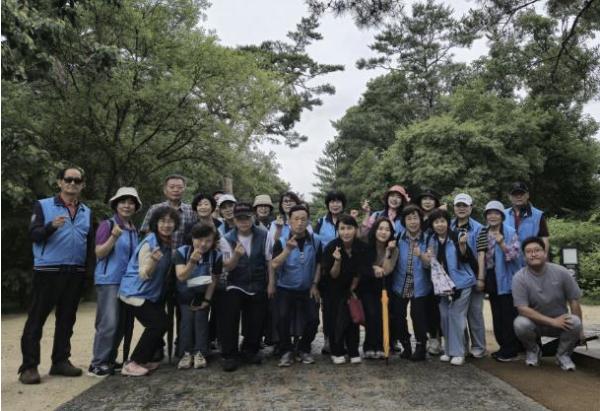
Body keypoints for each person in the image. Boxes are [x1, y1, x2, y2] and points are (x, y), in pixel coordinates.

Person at [19, 166, 94, 385]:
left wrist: (88, 273)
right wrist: (51, 226)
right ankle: (29, 366)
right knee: (37, 319)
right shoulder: (43, 205)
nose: (72, 183)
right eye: (68, 179)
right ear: (59, 182)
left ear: (82, 185)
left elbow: (89, 244)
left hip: (75, 272)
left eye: (77, 180)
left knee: (67, 319)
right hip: (47, 272)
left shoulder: (86, 212)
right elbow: (33, 235)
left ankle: (60, 361)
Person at [118, 206, 178, 376]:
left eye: (170, 222)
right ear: (155, 224)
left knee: (162, 322)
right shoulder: (150, 242)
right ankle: (133, 363)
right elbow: (144, 274)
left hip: (148, 294)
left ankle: (143, 360)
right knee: (159, 323)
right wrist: (153, 260)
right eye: (162, 221)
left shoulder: (166, 243)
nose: (166, 225)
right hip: (134, 293)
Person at [89, 187, 141, 377]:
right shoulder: (108, 224)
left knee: (120, 324)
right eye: (123, 202)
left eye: (131, 203)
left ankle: (109, 359)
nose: (127, 206)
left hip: (127, 283)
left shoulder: (133, 228)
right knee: (108, 322)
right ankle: (98, 363)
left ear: (136, 207)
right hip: (109, 280)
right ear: (116, 205)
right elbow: (99, 253)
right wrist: (113, 236)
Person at [512, 237, 584, 371]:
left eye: (537, 250)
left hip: (561, 322)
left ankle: (563, 355)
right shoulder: (519, 278)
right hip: (535, 324)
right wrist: (552, 322)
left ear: (545, 253)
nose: (533, 254)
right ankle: (533, 351)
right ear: (524, 257)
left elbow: (574, 300)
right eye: (529, 252)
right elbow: (522, 309)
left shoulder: (562, 272)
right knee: (520, 323)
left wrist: (581, 331)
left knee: (575, 322)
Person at [218, 203, 271, 372]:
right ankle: (229, 354)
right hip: (235, 283)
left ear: (252, 218)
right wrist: (236, 255)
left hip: (257, 282)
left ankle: (250, 350)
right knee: (229, 316)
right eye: (239, 218)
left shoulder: (264, 235)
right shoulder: (226, 238)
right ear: (234, 220)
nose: (243, 222)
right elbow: (227, 267)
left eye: (247, 218)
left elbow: (269, 261)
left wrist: (271, 283)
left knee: (256, 318)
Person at [270, 205, 321, 367]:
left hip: (307, 288)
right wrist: (287, 250)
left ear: (308, 221)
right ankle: (286, 350)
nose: (299, 223)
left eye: (303, 219)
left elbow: (319, 264)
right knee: (282, 318)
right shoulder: (281, 241)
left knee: (314, 319)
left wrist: (315, 284)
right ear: (289, 221)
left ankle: (304, 348)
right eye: (296, 219)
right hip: (285, 288)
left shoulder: (315, 240)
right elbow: (274, 264)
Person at [425, 209, 476, 366]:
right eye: (436, 222)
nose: (440, 225)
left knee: (455, 316)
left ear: (448, 223)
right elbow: (430, 263)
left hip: (461, 282)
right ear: (432, 225)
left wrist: (462, 246)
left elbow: (467, 258)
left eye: (443, 221)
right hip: (441, 284)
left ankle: (459, 352)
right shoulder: (432, 240)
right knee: (445, 316)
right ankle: (448, 350)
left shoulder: (456, 236)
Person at [477, 201, 522, 362]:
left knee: (508, 313)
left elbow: (515, 256)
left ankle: (511, 349)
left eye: (496, 213)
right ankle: (503, 346)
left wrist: (502, 243)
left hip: (507, 277)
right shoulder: (483, 232)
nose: (492, 216)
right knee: (496, 313)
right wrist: (481, 277)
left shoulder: (510, 232)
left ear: (502, 216)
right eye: (489, 213)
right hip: (491, 276)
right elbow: (480, 254)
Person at [174, 224, 222, 370]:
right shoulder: (182, 252)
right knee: (186, 322)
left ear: (213, 241)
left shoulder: (216, 255)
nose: (203, 244)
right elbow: (181, 276)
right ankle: (186, 353)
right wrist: (192, 261)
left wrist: (207, 300)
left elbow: (213, 280)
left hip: (202, 294)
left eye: (208, 240)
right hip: (185, 295)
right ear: (192, 239)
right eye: (199, 239)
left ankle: (200, 352)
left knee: (201, 321)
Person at [322, 215, 368, 365]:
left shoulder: (361, 247)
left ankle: (353, 350)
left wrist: (354, 285)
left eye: (349, 228)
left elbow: (362, 269)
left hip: (353, 289)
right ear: (338, 230)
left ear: (355, 229)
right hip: (333, 289)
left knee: (353, 319)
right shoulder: (332, 247)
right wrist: (338, 260)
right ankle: (337, 351)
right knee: (336, 320)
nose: (346, 232)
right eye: (342, 228)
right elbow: (332, 275)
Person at [391, 205, 432, 361]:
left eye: (415, 218)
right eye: (409, 219)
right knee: (398, 315)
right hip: (400, 282)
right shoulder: (398, 238)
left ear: (420, 220)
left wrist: (421, 255)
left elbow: (430, 264)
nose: (413, 222)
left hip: (420, 283)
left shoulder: (428, 238)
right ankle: (406, 344)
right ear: (404, 221)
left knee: (418, 315)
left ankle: (421, 346)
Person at [450, 193, 486, 359]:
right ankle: (462, 346)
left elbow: (482, 254)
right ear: (454, 208)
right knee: (458, 314)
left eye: (465, 206)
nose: (461, 208)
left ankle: (478, 347)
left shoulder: (479, 228)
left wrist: (481, 278)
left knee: (475, 313)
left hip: (474, 275)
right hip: (456, 278)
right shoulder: (449, 226)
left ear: (471, 208)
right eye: (458, 205)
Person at [313, 190, 346, 354]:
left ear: (343, 204)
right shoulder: (320, 222)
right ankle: (327, 338)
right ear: (327, 204)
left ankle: (342, 339)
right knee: (327, 307)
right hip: (326, 269)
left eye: (338, 201)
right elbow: (315, 244)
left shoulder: (347, 221)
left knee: (343, 305)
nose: (335, 204)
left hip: (345, 268)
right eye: (332, 201)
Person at [361, 218, 398, 359]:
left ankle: (382, 346)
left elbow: (387, 270)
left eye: (387, 230)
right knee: (371, 314)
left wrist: (388, 252)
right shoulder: (366, 244)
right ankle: (369, 346)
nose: (383, 232)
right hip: (367, 285)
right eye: (380, 229)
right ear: (375, 230)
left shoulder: (394, 249)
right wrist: (373, 267)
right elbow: (362, 265)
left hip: (384, 286)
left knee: (383, 315)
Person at [140, 174, 196, 249]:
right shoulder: (155, 208)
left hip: (183, 255)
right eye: (172, 187)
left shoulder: (191, 210)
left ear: (184, 190)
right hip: (158, 253)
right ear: (165, 190)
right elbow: (145, 233)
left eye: (179, 187)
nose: (176, 190)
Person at [504, 182, 550, 253]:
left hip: (531, 258)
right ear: (509, 197)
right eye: (515, 194)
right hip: (508, 258)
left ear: (527, 195)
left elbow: (544, 238)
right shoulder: (503, 214)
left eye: (521, 193)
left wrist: (544, 255)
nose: (518, 196)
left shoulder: (538, 215)